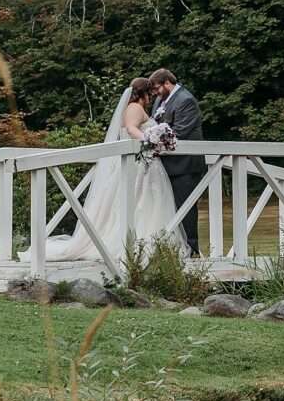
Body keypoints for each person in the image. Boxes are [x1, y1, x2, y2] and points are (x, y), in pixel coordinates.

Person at [18, 78, 188, 263]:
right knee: (142, 204)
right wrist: (150, 141)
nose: (151, 98)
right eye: (150, 94)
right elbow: (131, 129)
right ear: (143, 94)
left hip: (145, 162)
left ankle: (149, 245)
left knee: (146, 204)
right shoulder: (134, 108)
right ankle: (140, 245)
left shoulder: (134, 108)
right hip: (140, 164)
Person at [149, 68, 206, 256]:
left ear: (167, 83)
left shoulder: (186, 100)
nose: (155, 93)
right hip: (165, 165)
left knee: (186, 209)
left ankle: (192, 250)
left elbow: (179, 132)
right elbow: (154, 125)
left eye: (157, 88)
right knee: (166, 209)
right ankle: (173, 250)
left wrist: (151, 143)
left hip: (185, 165)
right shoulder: (160, 100)